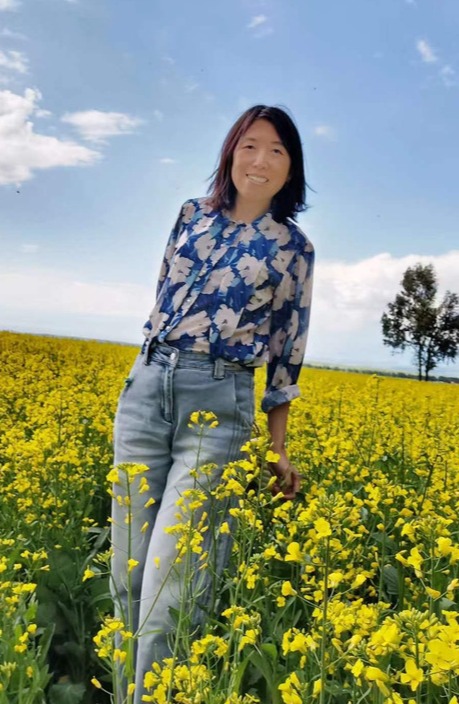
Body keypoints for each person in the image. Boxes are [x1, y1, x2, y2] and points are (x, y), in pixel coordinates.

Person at [111, 104, 315, 702]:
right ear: (230, 153)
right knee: (127, 574)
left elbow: (287, 351)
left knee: (173, 584)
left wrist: (276, 448)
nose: (261, 160)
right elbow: (163, 295)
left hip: (221, 399)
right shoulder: (190, 214)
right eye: (250, 145)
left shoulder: (293, 247)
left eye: (277, 150)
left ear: (291, 168)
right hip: (147, 384)